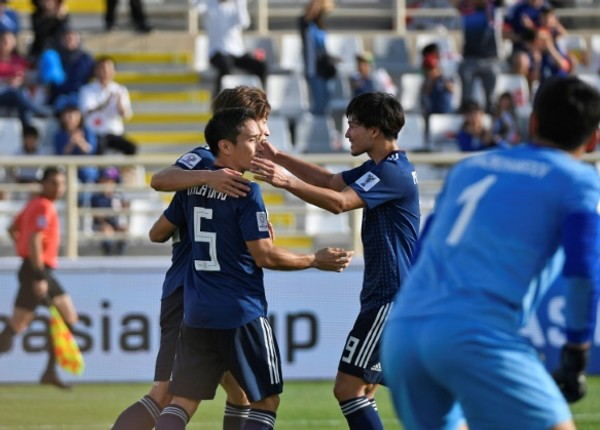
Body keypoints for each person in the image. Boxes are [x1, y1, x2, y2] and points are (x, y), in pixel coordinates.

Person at [380, 76, 600, 430]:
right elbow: (583, 271)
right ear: (594, 139)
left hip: (403, 332)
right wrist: (577, 349)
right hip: (475, 334)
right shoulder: (579, 182)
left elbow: (422, 248)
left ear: (532, 123)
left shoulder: (469, 168)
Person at [150, 107, 353, 430]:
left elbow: (157, 232)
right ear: (225, 146)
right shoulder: (246, 191)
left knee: (183, 402)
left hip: (197, 313)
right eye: (252, 139)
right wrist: (315, 260)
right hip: (239, 312)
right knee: (266, 400)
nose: (259, 146)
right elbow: (265, 256)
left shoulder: (189, 186)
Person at [253, 92, 420, 430]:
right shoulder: (382, 168)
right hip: (387, 294)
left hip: (391, 294)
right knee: (365, 388)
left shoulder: (392, 174)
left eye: (353, 125)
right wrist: (279, 156)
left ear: (374, 130)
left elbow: (339, 202)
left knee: (348, 388)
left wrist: (283, 181)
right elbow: (330, 181)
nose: (347, 134)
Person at [112, 86, 269, 430]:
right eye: (259, 123)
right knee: (166, 394)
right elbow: (160, 180)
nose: (265, 133)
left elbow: (158, 230)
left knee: (240, 392)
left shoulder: (232, 179)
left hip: (211, 297)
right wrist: (208, 178)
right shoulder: (205, 162)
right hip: (190, 289)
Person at [0, 167, 76, 390]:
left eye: (61, 183)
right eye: (54, 183)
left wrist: (22, 250)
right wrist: (38, 274)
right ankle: (49, 372)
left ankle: (50, 371)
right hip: (37, 270)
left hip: (33, 268)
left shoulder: (33, 204)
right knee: (18, 325)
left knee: (22, 324)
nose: (59, 188)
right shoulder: (43, 206)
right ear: (43, 183)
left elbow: (12, 229)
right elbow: (34, 240)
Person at [193, 0, 268, 97]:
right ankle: (218, 100)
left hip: (237, 53)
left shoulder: (236, 6)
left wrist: (240, 3)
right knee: (225, 67)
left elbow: (244, 23)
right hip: (216, 52)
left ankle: (259, 99)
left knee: (260, 66)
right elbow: (197, 6)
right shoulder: (209, 5)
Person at [78, 56, 138, 155]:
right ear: (96, 71)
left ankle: (127, 171)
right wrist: (106, 103)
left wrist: (119, 102)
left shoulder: (120, 90)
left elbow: (126, 115)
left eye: (109, 69)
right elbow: (86, 111)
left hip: (114, 132)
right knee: (100, 146)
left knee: (132, 147)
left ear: (114, 72)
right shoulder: (86, 90)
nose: (105, 72)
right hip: (95, 132)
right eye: (102, 68)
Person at [299, 0, 336, 115]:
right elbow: (309, 16)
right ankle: (315, 128)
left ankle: (323, 128)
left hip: (324, 69)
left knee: (326, 102)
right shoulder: (304, 24)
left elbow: (322, 48)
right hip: (313, 70)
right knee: (318, 103)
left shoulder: (320, 25)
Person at [90, 167, 128, 256]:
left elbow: (122, 210)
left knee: (124, 229)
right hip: (101, 225)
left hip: (115, 223)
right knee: (107, 230)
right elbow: (98, 216)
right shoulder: (96, 197)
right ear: (100, 181)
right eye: (106, 180)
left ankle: (119, 254)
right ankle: (109, 254)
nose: (109, 184)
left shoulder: (117, 196)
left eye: (112, 181)